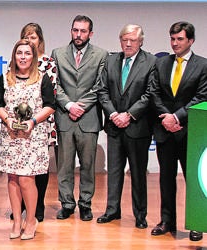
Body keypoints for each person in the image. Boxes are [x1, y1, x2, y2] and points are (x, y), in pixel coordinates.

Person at [148, 21, 205, 242]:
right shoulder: (162, 63)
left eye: (180, 39)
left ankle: (196, 223)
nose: (175, 43)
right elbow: (154, 92)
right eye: (172, 39)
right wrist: (166, 117)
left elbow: (201, 97)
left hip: (190, 131)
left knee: (192, 180)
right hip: (165, 130)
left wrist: (177, 117)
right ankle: (166, 221)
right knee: (166, 179)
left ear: (190, 40)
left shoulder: (202, 65)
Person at [95, 24, 156, 229]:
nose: (128, 43)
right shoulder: (111, 60)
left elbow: (150, 94)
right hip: (114, 126)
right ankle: (112, 210)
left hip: (137, 127)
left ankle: (140, 215)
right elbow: (102, 91)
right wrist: (113, 114)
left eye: (132, 40)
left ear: (141, 41)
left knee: (138, 173)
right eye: (124, 39)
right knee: (113, 171)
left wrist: (129, 115)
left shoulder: (151, 62)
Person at [0, 39, 56, 241]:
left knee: (26, 180)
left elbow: (50, 105)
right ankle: (16, 221)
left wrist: (32, 120)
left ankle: (31, 220)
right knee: (12, 179)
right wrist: (7, 119)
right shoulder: (5, 78)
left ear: (34, 57)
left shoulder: (42, 79)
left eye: (27, 53)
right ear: (14, 56)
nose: (23, 57)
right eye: (19, 53)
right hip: (11, 136)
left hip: (33, 136)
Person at [51, 15, 107, 222]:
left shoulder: (101, 55)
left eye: (83, 31)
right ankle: (66, 204)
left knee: (87, 165)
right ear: (71, 31)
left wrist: (80, 106)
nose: (78, 34)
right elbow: (54, 84)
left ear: (90, 33)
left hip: (88, 118)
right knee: (64, 165)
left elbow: (100, 86)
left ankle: (85, 204)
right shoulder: (58, 53)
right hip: (65, 117)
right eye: (75, 30)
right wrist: (68, 104)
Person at [16, 22, 57, 222]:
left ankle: (38, 205)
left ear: (39, 40)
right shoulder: (17, 61)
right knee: (21, 165)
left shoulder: (48, 63)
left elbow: (52, 95)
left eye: (33, 37)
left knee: (39, 166)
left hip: (42, 122)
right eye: (26, 37)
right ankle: (22, 205)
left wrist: (35, 117)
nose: (30, 41)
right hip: (19, 123)